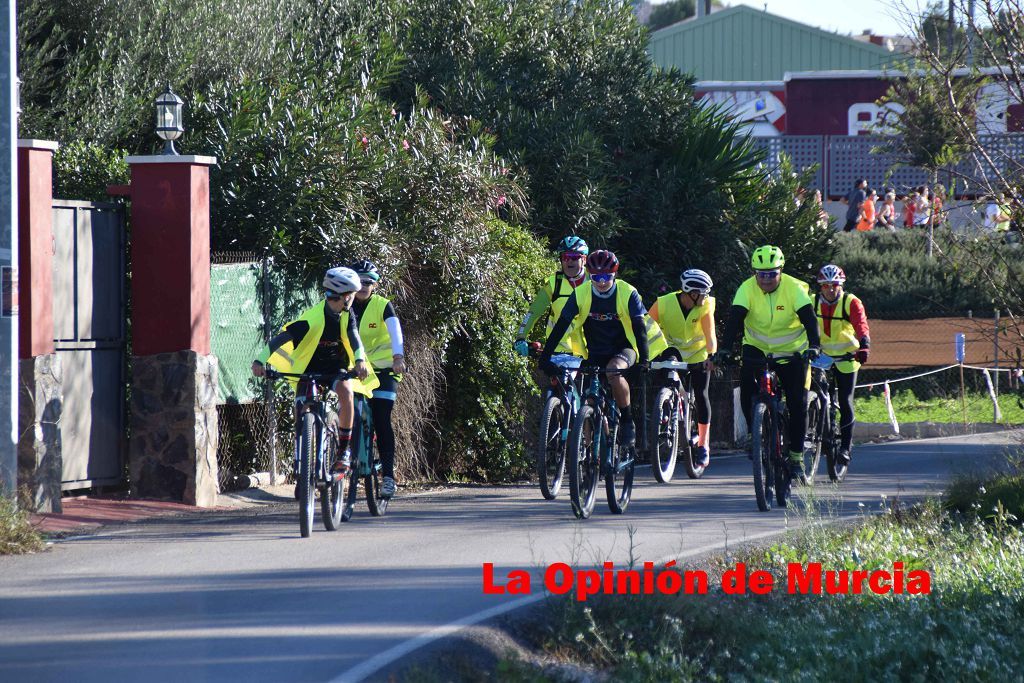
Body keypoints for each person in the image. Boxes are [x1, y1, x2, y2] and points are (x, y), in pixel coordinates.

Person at [252, 266, 373, 481]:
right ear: (345, 297)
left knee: (346, 393)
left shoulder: (347, 315)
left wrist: (361, 361)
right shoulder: (312, 319)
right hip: (308, 369)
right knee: (301, 408)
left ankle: (343, 450)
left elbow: (355, 338)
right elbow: (282, 338)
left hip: (336, 367)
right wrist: (260, 360)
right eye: (352, 295)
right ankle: (304, 463)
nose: (354, 299)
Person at [538, 250, 667, 446]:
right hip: (595, 352)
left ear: (614, 274)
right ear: (590, 275)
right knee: (589, 400)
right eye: (596, 277)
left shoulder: (627, 292)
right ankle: (590, 452)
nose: (601, 281)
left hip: (624, 349)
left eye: (606, 276)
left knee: (614, 372)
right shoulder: (580, 293)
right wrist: (545, 357)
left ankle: (627, 420)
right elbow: (561, 326)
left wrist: (645, 361)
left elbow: (639, 329)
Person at [714, 245, 821, 478]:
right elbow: (734, 321)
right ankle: (756, 433)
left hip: (792, 352)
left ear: (780, 271)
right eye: (761, 274)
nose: (766, 279)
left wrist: (814, 345)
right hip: (758, 348)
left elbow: (810, 320)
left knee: (797, 403)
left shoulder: (794, 289)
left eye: (771, 274)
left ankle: (796, 457)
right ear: (755, 273)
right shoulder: (747, 289)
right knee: (746, 388)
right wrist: (724, 349)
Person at [349, 259, 407, 499]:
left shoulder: (383, 306)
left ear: (375, 285)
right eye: (360, 281)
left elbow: (396, 332)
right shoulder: (345, 305)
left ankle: (388, 478)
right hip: (355, 371)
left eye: (369, 282)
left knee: (382, 419)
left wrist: (398, 357)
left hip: (384, 370)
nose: (364, 286)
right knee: (348, 415)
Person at [649, 269, 717, 468]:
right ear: (692, 293)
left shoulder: (705, 307)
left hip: (698, 355)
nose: (706, 297)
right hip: (672, 351)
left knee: (701, 394)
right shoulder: (663, 304)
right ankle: (666, 408)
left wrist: (711, 356)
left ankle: (703, 445)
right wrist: (645, 354)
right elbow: (645, 328)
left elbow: (710, 335)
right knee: (665, 374)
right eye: (703, 293)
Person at [814, 264, 871, 466]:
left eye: (835, 285)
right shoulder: (812, 302)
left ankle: (846, 448)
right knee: (815, 395)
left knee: (845, 401)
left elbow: (861, 325)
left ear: (841, 285)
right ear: (820, 287)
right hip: (821, 357)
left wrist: (864, 345)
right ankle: (816, 429)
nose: (831, 289)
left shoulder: (850, 302)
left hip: (847, 357)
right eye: (826, 285)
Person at [515, 235, 589, 357]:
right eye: (565, 257)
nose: (569, 261)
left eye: (574, 257)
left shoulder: (594, 282)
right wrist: (521, 337)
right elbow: (533, 313)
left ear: (584, 259)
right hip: (559, 352)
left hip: (590, 352)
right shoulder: (554, 284)